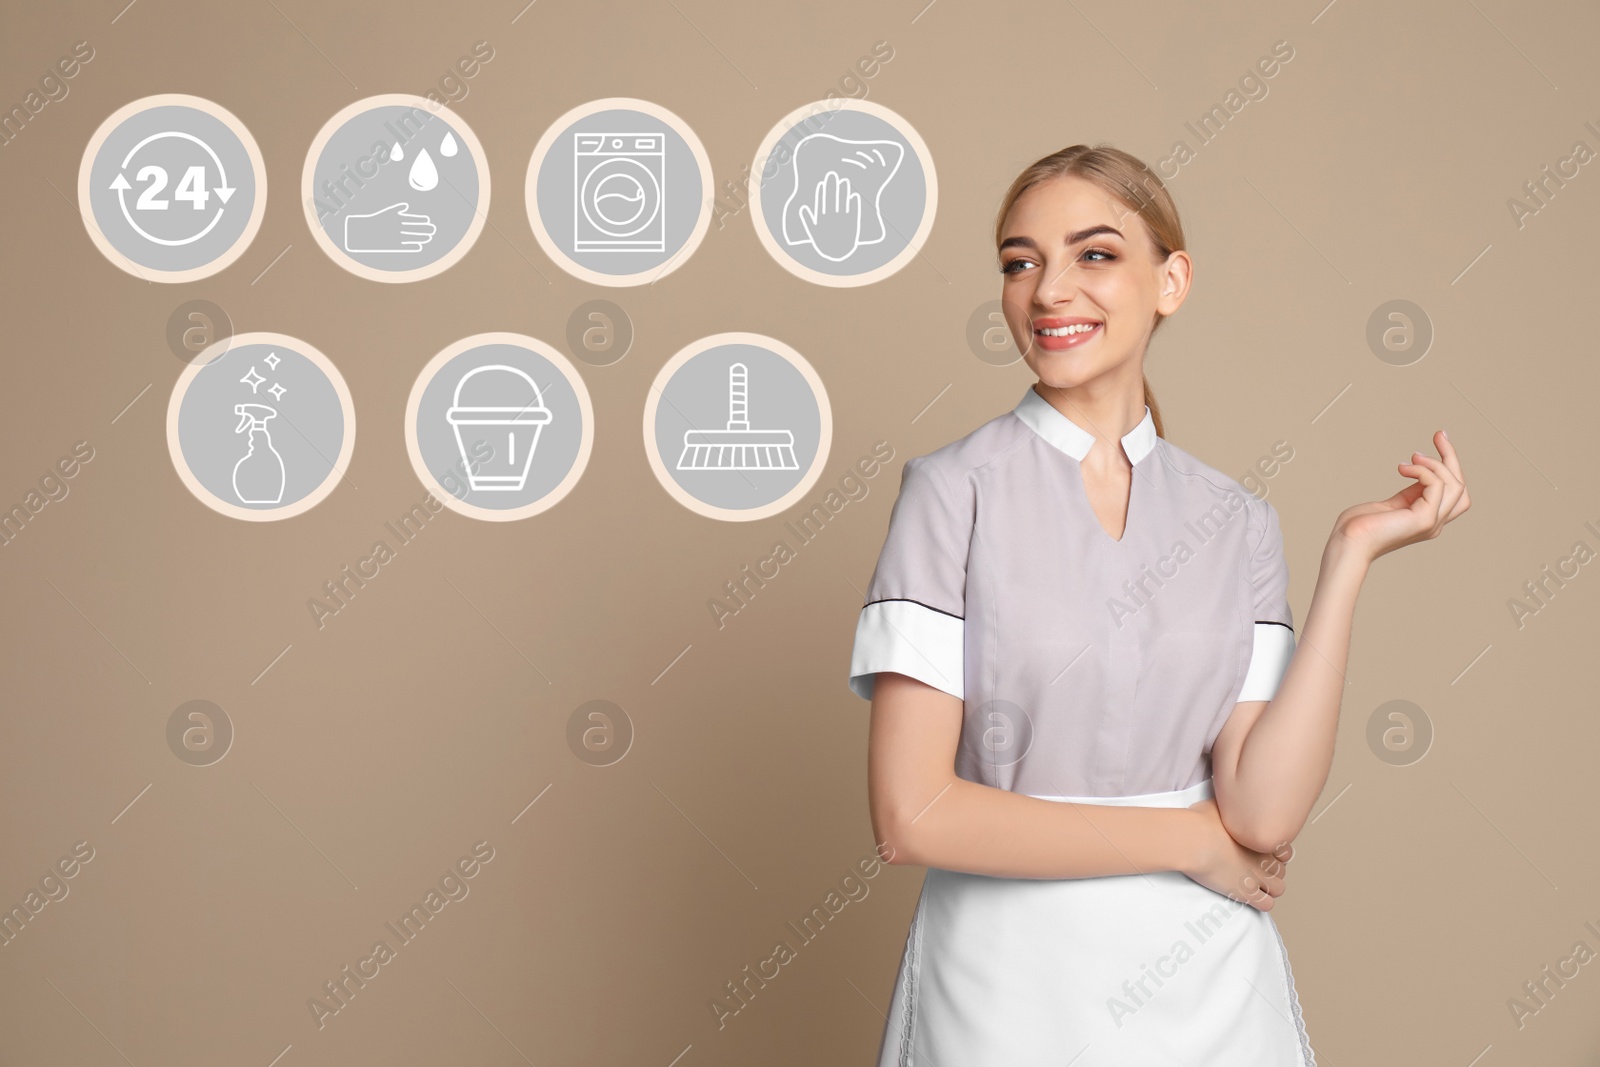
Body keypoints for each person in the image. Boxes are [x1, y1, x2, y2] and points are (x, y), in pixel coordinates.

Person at [846, 144, 1470, 1066]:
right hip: (1006, 988)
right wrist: (1189, 839)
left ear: (1170, 280)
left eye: (1094, 254)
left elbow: (1259, 816)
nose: (1049, 289)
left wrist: (1348, 561)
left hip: (1207, 986)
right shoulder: (952, 494)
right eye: (1021, 263)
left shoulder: (1237, 521)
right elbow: (914, 815)